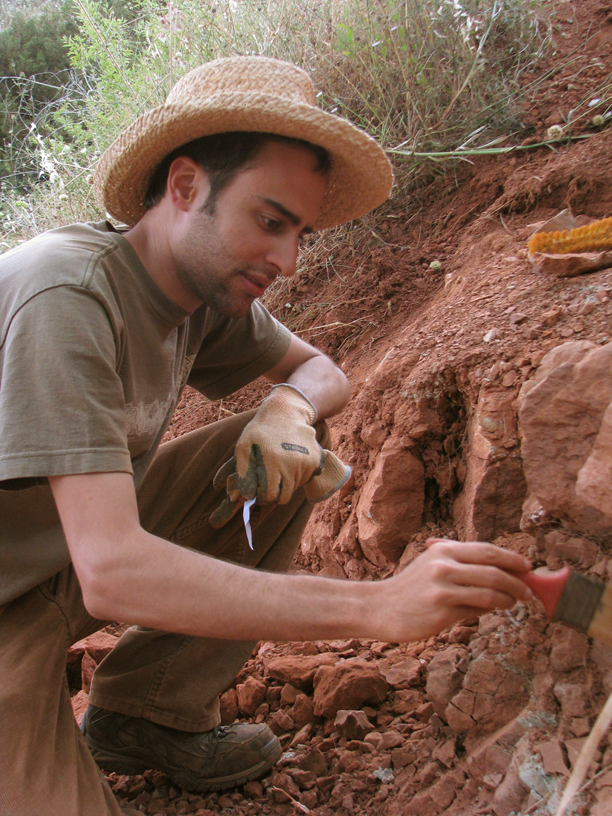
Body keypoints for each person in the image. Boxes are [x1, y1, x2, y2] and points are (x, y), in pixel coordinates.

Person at [0, 56, 533, 816]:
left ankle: (146, 715)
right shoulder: (67, 295)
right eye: (271, 221)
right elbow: (114, 571)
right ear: (185, 187)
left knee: (282, 452)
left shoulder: (199, 289)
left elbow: (323, 372)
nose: (286, 260)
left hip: (49, 560)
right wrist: (375, 608)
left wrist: (287, 409)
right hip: (28, 591)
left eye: (300, 232)